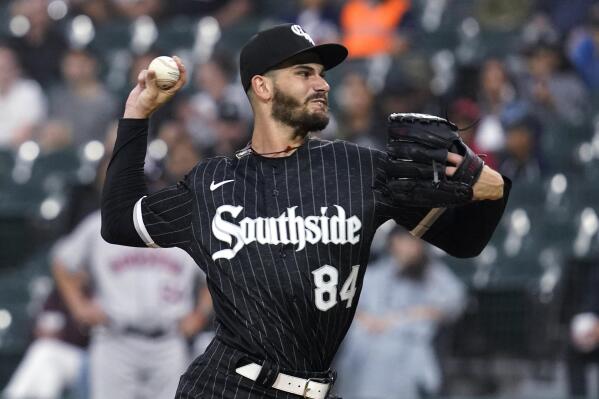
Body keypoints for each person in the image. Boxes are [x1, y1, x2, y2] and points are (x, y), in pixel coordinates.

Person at [100, 23, 509, 398]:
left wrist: (494, 190)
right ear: (262, 87)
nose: (322, 84)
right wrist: (138, 113)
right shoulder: (211, 183)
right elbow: (120, 222)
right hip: (227, 387)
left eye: (322, 74)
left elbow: (464, 242)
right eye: (304, 73)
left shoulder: (361, 168)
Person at [53, 209, 212, 399]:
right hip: (114, 339)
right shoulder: (101, 223)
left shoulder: (184, 224)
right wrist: (79, 308)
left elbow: (214, 273)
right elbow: (62, 262)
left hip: (169, 341)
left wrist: (200, 314)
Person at [335, 226, 466, 399]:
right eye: (406, 241)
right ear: (394, 243)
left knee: (391, 354)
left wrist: (402, 318)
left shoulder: (433, 273)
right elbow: (349, 305)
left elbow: (454, 303)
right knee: (358, 346)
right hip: (368, 337)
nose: (413, 246)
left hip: (409, 341)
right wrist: (367, 320)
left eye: (416, 241)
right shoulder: (376, 272)